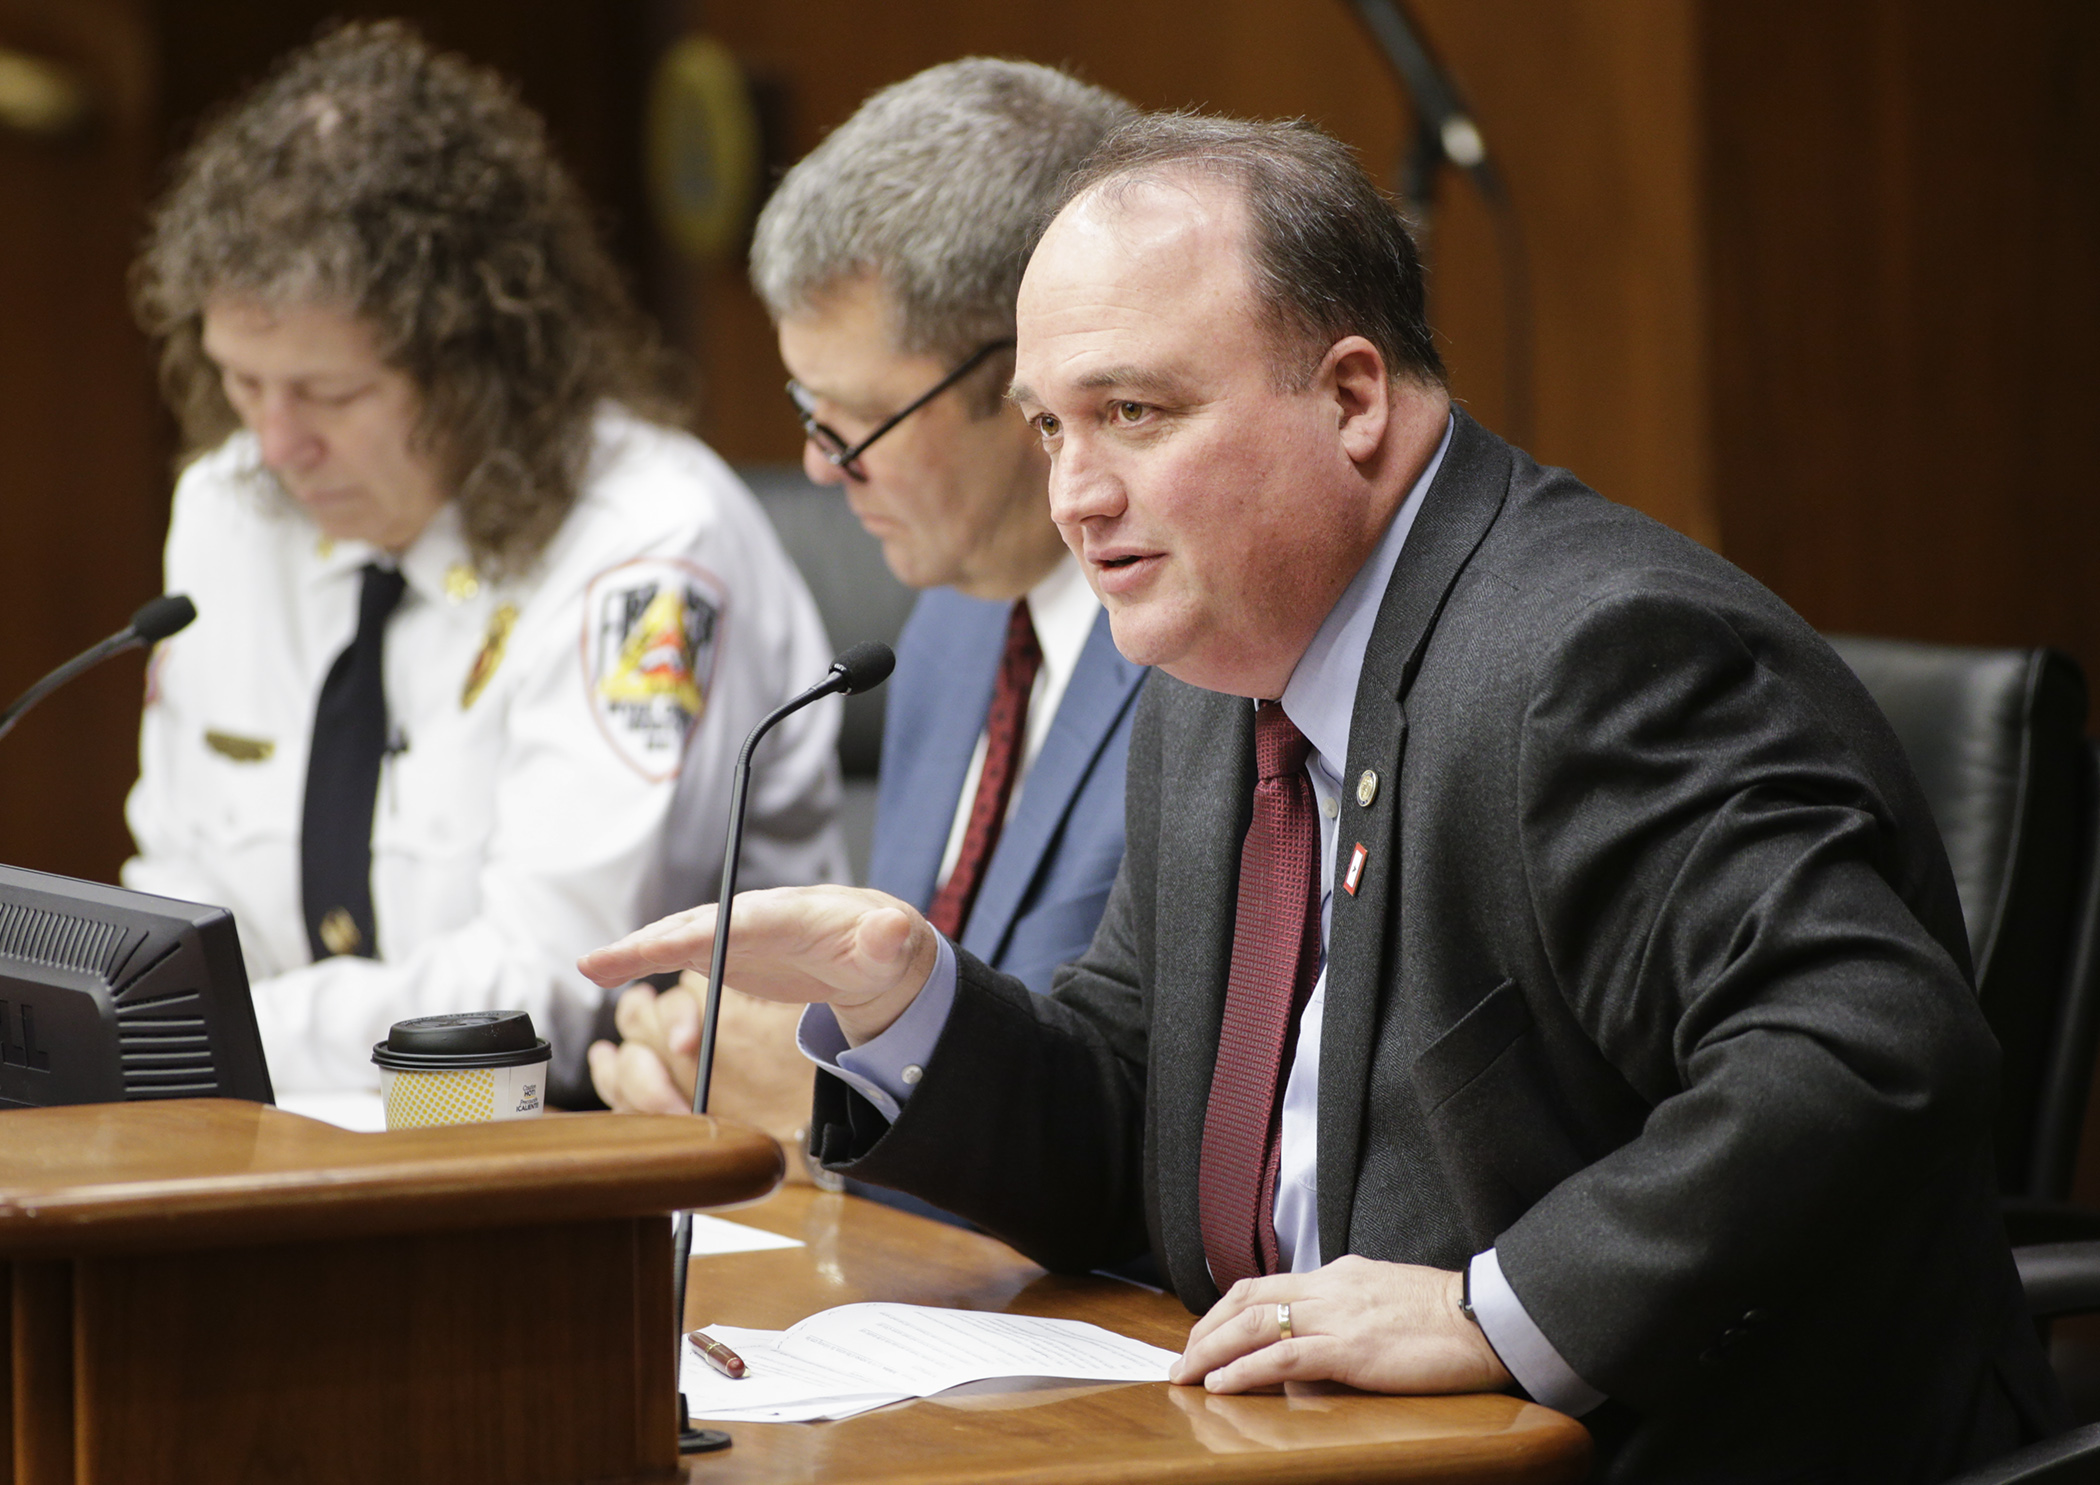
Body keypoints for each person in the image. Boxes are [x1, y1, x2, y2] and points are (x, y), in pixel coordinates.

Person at [583, 111, 2064, 1480]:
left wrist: (1504, 1308)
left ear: (1354, 396)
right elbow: (1131, 1124)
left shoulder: (1592, 657)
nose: (1076, 496)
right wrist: (917, 1006)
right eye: (1049, 428)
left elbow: (1865, 1048)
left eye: (1136, 413)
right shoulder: (1218, 669)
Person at [123, 22, 844, 1099]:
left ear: (474, 364)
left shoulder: (648, 540)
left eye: (331, 394)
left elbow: (547, 990)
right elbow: (175, 905)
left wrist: (196, 1043)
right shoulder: (230, 508)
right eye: (241, 382)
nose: (276, 444)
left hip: (593, 1150)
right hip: (288, 1132)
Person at [586, 60, 1143, 1141]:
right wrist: (728, 1052)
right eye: (807, 409)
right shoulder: (948, 629)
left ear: (1037, 379)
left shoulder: (1209, 663)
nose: (822, 468)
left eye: (858, 421)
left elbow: (1141, 1127)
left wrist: (834, 1099)